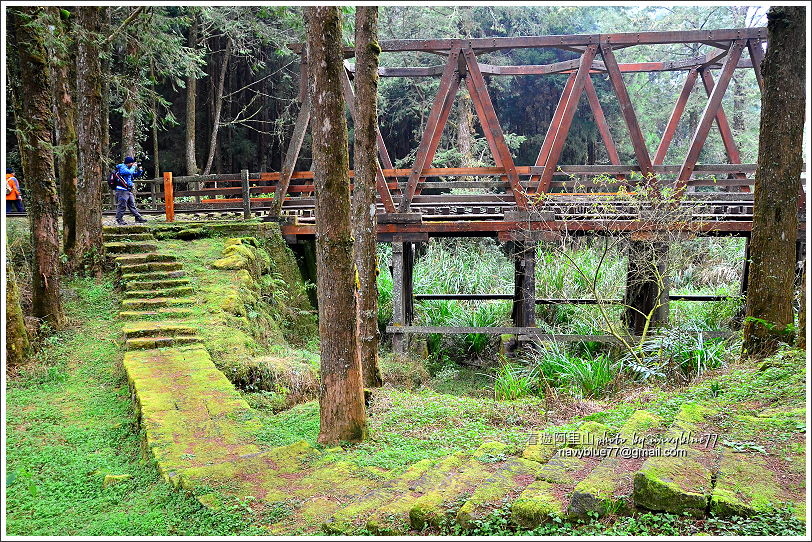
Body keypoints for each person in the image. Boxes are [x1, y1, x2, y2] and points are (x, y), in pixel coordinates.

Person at [114, 156, 147, 225]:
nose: (132, 164)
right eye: (131, 163)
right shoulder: (122, 167)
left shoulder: (128, 168)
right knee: (122, 205)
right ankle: (119, 219)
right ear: (128, 163)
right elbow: (129, 172)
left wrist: (139, 171)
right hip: (122, 190)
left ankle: (138, 217)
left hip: (128, 190)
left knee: (132, 204)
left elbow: (133, 175)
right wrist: (134, 167)